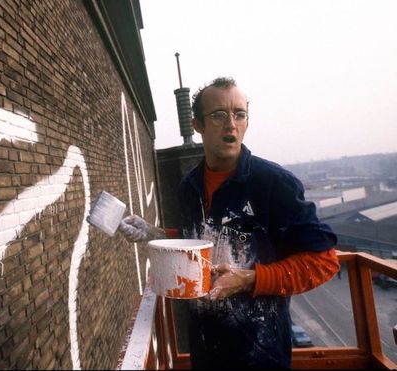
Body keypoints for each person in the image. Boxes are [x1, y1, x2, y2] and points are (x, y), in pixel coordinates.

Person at [118, 77, 340, 369]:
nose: (231, 124)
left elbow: (324, 262)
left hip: (259, 356)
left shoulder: (273, 184)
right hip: (206, 349)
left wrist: (250, 279)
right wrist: (157, 235)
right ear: (197, 125)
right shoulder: (190, 186)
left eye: (239, 114)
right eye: (219, 115)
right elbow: (202, 239)